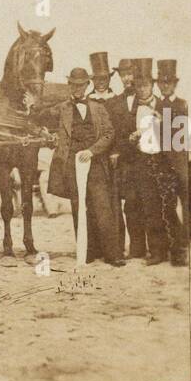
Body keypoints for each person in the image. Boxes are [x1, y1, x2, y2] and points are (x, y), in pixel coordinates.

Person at [48, 67, 124, 266]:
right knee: (78, 207)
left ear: (87, 85)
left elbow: (109, 133)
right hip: (71, 164)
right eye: (74, 84)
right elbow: (40, 118)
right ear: (69, 85)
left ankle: (112, 254)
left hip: (95, 162)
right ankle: (87, 251)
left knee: (102, 207)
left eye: (81, 85)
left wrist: (92, 151)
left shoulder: (98, 108)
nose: (78, 88)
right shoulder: (61, 108)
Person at [151, 59, 190, 266]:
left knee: (181, 206)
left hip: (177, 161)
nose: (165, 86)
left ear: (175, 84)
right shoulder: (156, 103)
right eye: (162, 83)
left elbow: (178, 131)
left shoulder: (181, 104)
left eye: (169, 83)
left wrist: (159, 121)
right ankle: (167, 249)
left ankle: (181, 249)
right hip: (160, 162)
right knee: (164, 207)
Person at [118, 58, 157, 260]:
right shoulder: (116, 101)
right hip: (128, 161)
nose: (127, 78)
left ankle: (157, 249)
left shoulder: (152, 101)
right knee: (131, 204)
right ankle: (136, 248)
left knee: (151, 204)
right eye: (122, 74)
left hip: (150, 161)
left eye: (130, 73)